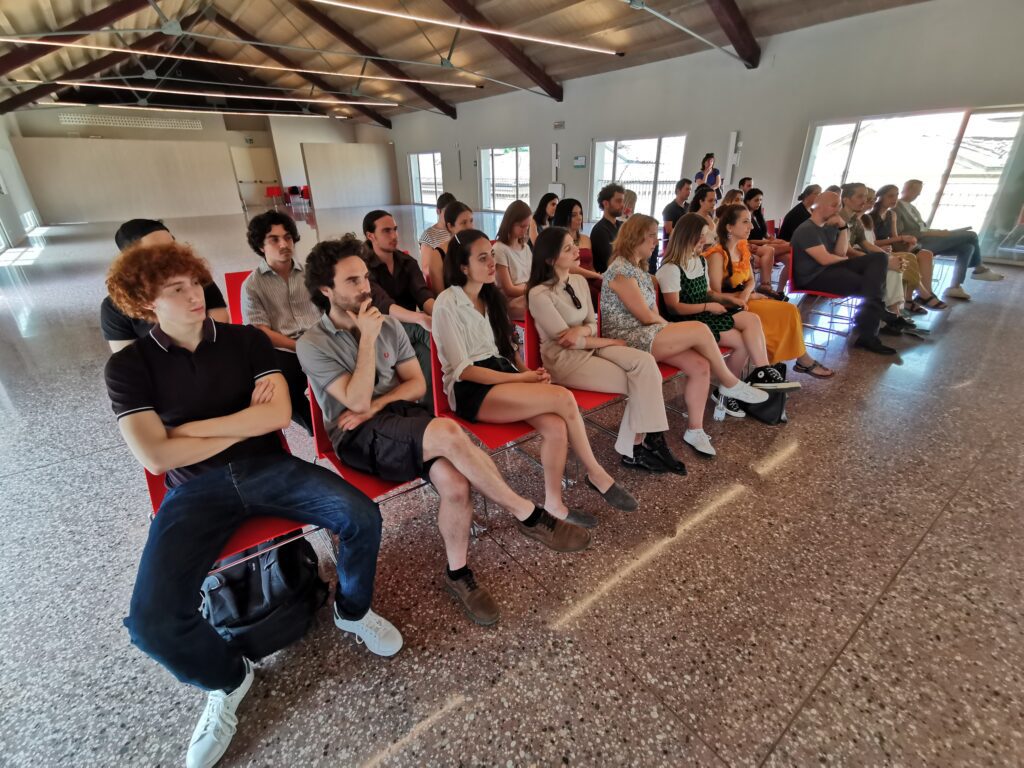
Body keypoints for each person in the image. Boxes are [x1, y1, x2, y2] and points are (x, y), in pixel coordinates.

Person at [104, 240, 400, 768]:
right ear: (147, 303)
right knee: (151, 622)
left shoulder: (245, 341)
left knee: (361, 516)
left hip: (268, 469)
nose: (194, 296)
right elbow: (155, 456)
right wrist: (240, 423)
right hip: (194, 491)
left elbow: (276, 416)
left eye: (195, 283)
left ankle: (353, 610)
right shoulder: (129, 367)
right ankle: (228, 677)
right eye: (176, 289)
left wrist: (186, 431)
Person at [297, 235, 588, 626]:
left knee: (455, 484)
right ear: (325, 290)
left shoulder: (389, 325)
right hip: (356, 437)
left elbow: (417, 385)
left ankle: (457, 573)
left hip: (401, 419)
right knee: (449, 433)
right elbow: (357, 401)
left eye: (365, 277)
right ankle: (528, 514)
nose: (365, 287)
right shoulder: (313, 343)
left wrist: (380, 403)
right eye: (352, 281)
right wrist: (366, 341)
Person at [433, 229, 638, 520]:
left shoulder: (491, 298)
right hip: (471, 390)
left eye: (492, 256)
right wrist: (520, 379)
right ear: (463, 267)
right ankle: (596, 473)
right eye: (482, 258)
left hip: (502, 375)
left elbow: (507, 350)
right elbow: (465, 371)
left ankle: (554, 504)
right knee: (563, 398)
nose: (492, 263)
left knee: (556, 426)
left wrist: (528, 372)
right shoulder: (447, 303)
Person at [599, 214, 769, 458]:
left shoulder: (639, 269)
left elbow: (651, 314)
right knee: (699, 329)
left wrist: (668, 328)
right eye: (651, 236)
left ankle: (695, 430)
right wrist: (671, 328)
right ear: (635, 238)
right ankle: (729, 383)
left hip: (646, 333)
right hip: (627, 339)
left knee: (700, 365)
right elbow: (646, 317)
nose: (656, 241)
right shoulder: (620, 271)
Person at [528, 227, 686, 475]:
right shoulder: (538, 294)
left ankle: (647, 441)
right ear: (550, 259)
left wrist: (584, 331)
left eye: (573, 244)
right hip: (565, 361)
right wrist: (607, 341)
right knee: (639, 381)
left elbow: (592, 324)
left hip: (591, 345)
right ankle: (640, 447)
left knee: (645, 363)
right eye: (568, 249)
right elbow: (567, 342)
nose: (576, 251)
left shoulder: (579, 281)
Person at [659, 213, 815, 403]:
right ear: (687, 236)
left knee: (751, 319)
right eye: (700, 236)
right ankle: (728, 390)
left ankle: (762, 370)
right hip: (689, 318)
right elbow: (675, 308)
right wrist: (710, 305)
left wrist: (730, 300)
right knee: (742, 342)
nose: (704, 241)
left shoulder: (699, 261)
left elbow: (709, 292)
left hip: (705, 312)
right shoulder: (671, 268)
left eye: (704, 236)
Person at [702, 206, 834, 382]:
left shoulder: (741, 247)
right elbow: (716, 294)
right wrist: (748, 297)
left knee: (790, 310)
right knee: (783, 313)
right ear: (729, 227)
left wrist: (747, 294)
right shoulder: (717, 255)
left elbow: (750, 280)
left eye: (750, 221)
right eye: (745, 221)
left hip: (744, 300)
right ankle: (787, 363)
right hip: (729, 305)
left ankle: (788, 362)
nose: (751, 226)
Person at [240, 211, 319, 435]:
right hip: (283, 348)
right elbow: (260, 331)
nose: (284, 244)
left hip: (319, 340)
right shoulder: (252, 285)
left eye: (287, 237)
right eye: (274, 240)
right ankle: (318, 431)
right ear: (261, 246)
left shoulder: (311, 274)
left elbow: (329, 310)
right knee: (282, 388)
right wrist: (298, 346)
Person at [790, 191, 894, 355]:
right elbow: (825, 259)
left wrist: (843, 227)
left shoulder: (829, 227)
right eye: (834, 205)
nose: (838, 209)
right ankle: (874, 320)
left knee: (880, 258)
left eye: (839, 205)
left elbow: (841, 253)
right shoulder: (806, 229)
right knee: (870, 285)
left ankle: (871, 317)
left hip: (830, 270)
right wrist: (844, 260)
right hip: (813, 277)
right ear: (819, 206)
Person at [101, 219, 229, 352]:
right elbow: (126, 356)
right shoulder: (113, 308)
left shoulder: (196, 280)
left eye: (172, 247)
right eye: (158, 250)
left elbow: (220, 326)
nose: (170, 255)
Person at [362, 209, 434, 402]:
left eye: (395, 229)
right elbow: (385, 305)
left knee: (425, 354)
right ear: (370, 236)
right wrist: (420, 318)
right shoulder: (364, 268)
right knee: (425, 331)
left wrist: (440, 314)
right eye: (386, 231)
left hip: (407, 334)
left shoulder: (407, 262)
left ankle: (427, 410)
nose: (394, 235)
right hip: (380, 332)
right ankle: (461, 363)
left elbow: (423, 295)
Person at [839, 183, 926, 338]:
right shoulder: (839, 219)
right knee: (887, 266)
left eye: (866, 197)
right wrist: (883, 260)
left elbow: (867, 244)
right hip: (840, 264)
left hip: (853, 260)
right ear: (846, 200)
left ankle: (893, 315)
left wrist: (889, 258)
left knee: (893, 266)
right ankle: (891, 317)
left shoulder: (855, 220)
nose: (865, 200)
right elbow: (848, 250)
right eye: (861, 196)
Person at [896, 178, 1002, 300]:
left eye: (919, 192)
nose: (918, 195)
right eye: (916, 191)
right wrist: (934, 233)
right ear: (907, 189)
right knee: (971, 235)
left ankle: (955, 287)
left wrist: (939, 232)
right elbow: (903, 233)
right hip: (917, 243)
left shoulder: (912, 208)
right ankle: (979, 269)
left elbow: (923, 228)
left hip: (928, 239)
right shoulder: (896, 208)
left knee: (967, 247)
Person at [869, 185, 945, 310]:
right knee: (909, 258)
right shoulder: (871, 216)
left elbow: (894, 237)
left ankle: (926, 292)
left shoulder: (892, 214)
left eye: (896, 195)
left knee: (926, 254)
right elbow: (871, 242)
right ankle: (916, 297)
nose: (895, 198)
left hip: (890, 247)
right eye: (891, 196)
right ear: (880, 197)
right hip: (879, 248)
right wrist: (901, 238)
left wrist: (906, 242)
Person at [551, 197, 602, 307]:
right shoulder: (558, 240)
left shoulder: (586, 239)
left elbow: (591, 265)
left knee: (610, 288)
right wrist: (596, 276)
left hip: (591, 279)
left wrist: (597, 277)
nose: (579, 218)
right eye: (574, 215)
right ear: (563, 217)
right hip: (571, 282)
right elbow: (569, 268)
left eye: (580, 213)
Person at [744, 188, 792, 299]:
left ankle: (780, 291)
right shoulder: (745, 216)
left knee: (789, 258)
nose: (759, 202)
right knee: (791, 246)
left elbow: (764, 233)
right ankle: (766, 286)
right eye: (756, 200)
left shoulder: (757, 215)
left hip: (763, 245)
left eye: (760, 200)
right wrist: (768, 241)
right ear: (747, 201)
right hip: (758, 246)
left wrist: (771, 238)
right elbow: (748, 240)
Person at [492, 200, 534, 321]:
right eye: (521, 226)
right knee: (543, 304)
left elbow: (533, 276)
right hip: (511, 301)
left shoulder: (525, 247)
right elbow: (509, 289)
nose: (525, 230)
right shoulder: (500, 249)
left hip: (526, 293)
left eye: (527, 226)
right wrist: (533, 289)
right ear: (510, 224)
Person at [422, 200, 474, 294]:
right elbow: (440, 296)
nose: (470, 227)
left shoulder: (475, 249)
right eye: (463, 223)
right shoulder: (438, 255)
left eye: (471, 221)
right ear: (450, 226)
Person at [590, 182, 625, 274]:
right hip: (609, 277)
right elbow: (611, 262)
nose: (622, 205)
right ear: (606, 203)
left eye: (622, 201)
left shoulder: (622, 226)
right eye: (618, 201)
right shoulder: (600, 230)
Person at [418, 192, 456, 267]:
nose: (450, 215)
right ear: (438, 211)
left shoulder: (456, 230)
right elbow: (426, 268)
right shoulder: (428, 236)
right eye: (447, 211)